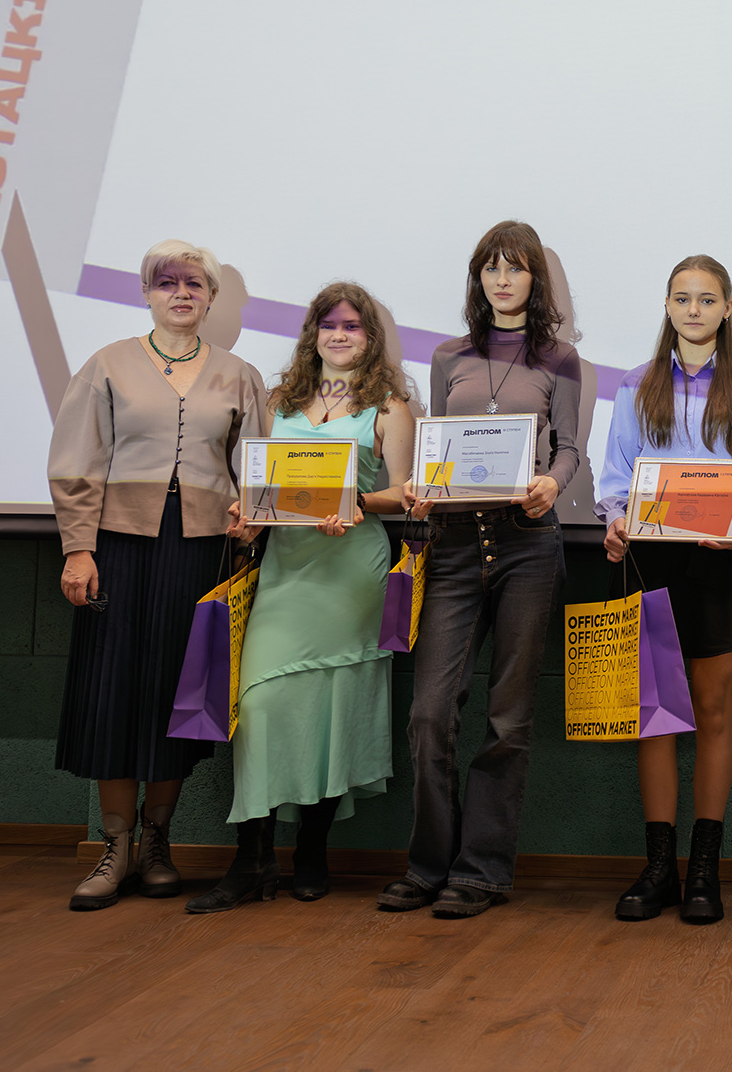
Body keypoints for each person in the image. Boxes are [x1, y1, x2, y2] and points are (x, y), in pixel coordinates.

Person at [48, 240, 266, 911]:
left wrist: (252, 516)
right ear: (147, 292)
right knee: (112, 690)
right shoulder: (107, 364)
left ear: (210, 297)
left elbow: (257, 467)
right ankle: (114, 847)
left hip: (199, 554)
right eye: (167, 282)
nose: (181, 293)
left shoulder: (239, 374)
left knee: (181, 693)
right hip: (115, 547)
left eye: (194, 283)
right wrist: (78, 548)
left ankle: (156, 842)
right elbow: (77, 461)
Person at [187, 283, 415, 913]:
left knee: (331, 708)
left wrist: (355, 501)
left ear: (370, 337)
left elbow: (405, 492)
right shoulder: (279, 400)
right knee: (258, 706)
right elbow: (259, 485)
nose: (339, 335)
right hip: (284, 570)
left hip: (351, 571)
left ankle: (312, 851)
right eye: (328, 324)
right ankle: (252, 858)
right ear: (313, 333)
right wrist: (247, 518)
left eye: (353, 326)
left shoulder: (390, 406)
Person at [378, 221, 580, 920]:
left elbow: (570, 448)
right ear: (478, 278)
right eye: (491, 267)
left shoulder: (561, 359)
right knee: (429, 713)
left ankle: (482, 871)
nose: (502, 279)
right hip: (456, 542)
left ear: (535, 279)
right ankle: (429, 864)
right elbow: (438, 442)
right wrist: (421, 484)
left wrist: (552, 483)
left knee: (507, 717)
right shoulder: (448, 356)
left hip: (528, 542)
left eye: (515, 267)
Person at [596, 256, 732, 925]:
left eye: (707, 299)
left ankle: (704, 870)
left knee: (712, 712)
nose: (694, 310)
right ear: (667, 305)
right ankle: (660, 869)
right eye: (682, 298)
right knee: (654, 717)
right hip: (649, 563)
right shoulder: (635, 382)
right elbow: (615, 476)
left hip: (718, 564)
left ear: (727, 307)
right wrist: (616, 521)